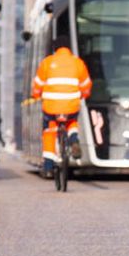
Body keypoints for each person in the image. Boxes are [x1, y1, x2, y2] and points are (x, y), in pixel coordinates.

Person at [31, 41, 91, 177]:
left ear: (54, 49)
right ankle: (73, 139)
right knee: (72, 121)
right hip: (71, 105)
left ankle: (48, 166)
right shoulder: (78, 63)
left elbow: (38, 85)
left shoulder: (47, 62)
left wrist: (36, 95)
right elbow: (86, 85)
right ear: (68, 48)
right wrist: (83, 94)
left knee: (49, 132)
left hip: (51, 107)